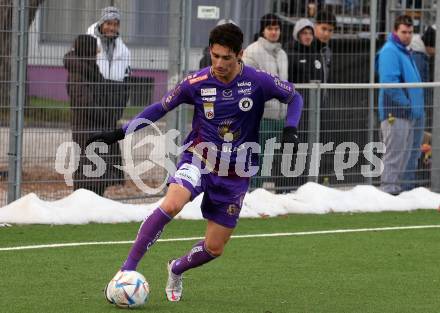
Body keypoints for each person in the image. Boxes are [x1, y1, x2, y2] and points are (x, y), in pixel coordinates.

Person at [87, 23, 303, 302]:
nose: (219, 63)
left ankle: (176, 268)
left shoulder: (258, 81)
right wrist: (119, 133)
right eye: (215, 56)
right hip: (198, 158)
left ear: (239, 55)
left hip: (236, 173)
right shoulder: (197, 83)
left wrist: (291, 129)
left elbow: (294, 96)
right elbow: (159, 108)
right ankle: (126, 269)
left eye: (226, 57)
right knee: (172, 203)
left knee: (214, 248)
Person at [376, 15, 424, 195]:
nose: (407, 35)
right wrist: (409, 106)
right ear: (395, 31)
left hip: (408, 114)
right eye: (404, 32)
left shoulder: (404, 50)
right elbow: (390, 84)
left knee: (405, 157)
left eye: (410, 32)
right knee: (395, 156)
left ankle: (398, 192)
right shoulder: (390, 51)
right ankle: (389, 192)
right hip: (396, 113)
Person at [241, 13, 289, 193]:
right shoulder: (252, 52)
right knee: (257, 157)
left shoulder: (282, 53)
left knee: (270, 158)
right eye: (270, 28)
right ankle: (251, 193)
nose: (274, 32)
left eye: (277, 28)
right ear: (263, 30)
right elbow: (247, 84)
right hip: (261, 115)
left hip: (279, 115)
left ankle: (260, 194)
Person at [86, 6, 132, 192]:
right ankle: (92, 181)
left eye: (115, 24)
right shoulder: (88, 42)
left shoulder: (124, 50)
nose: (112, 28)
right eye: (108, 23)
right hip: (94, 95)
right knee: (92, 139)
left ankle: (108, 180)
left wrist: (120, 105)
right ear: (101, 23)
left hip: (114, 97)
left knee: (109, 139)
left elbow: (127, 79)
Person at [64, 35, 111, 195]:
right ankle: (84, 199)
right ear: (88, 50)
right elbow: (85, 103)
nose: (98, 52)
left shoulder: (90, 70)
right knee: (87, 165)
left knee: (96, 164)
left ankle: (95, 198)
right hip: (85, 127)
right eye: (95, 48)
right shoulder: (78, 73)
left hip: (95, 126)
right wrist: (105, 116)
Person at [401, 34, 429, 191]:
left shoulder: (416, 54)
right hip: (412, 110)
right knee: (410, 148)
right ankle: (406, 185)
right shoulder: (417, 56)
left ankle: (407, 184)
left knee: (413, 148)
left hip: (414, 109)